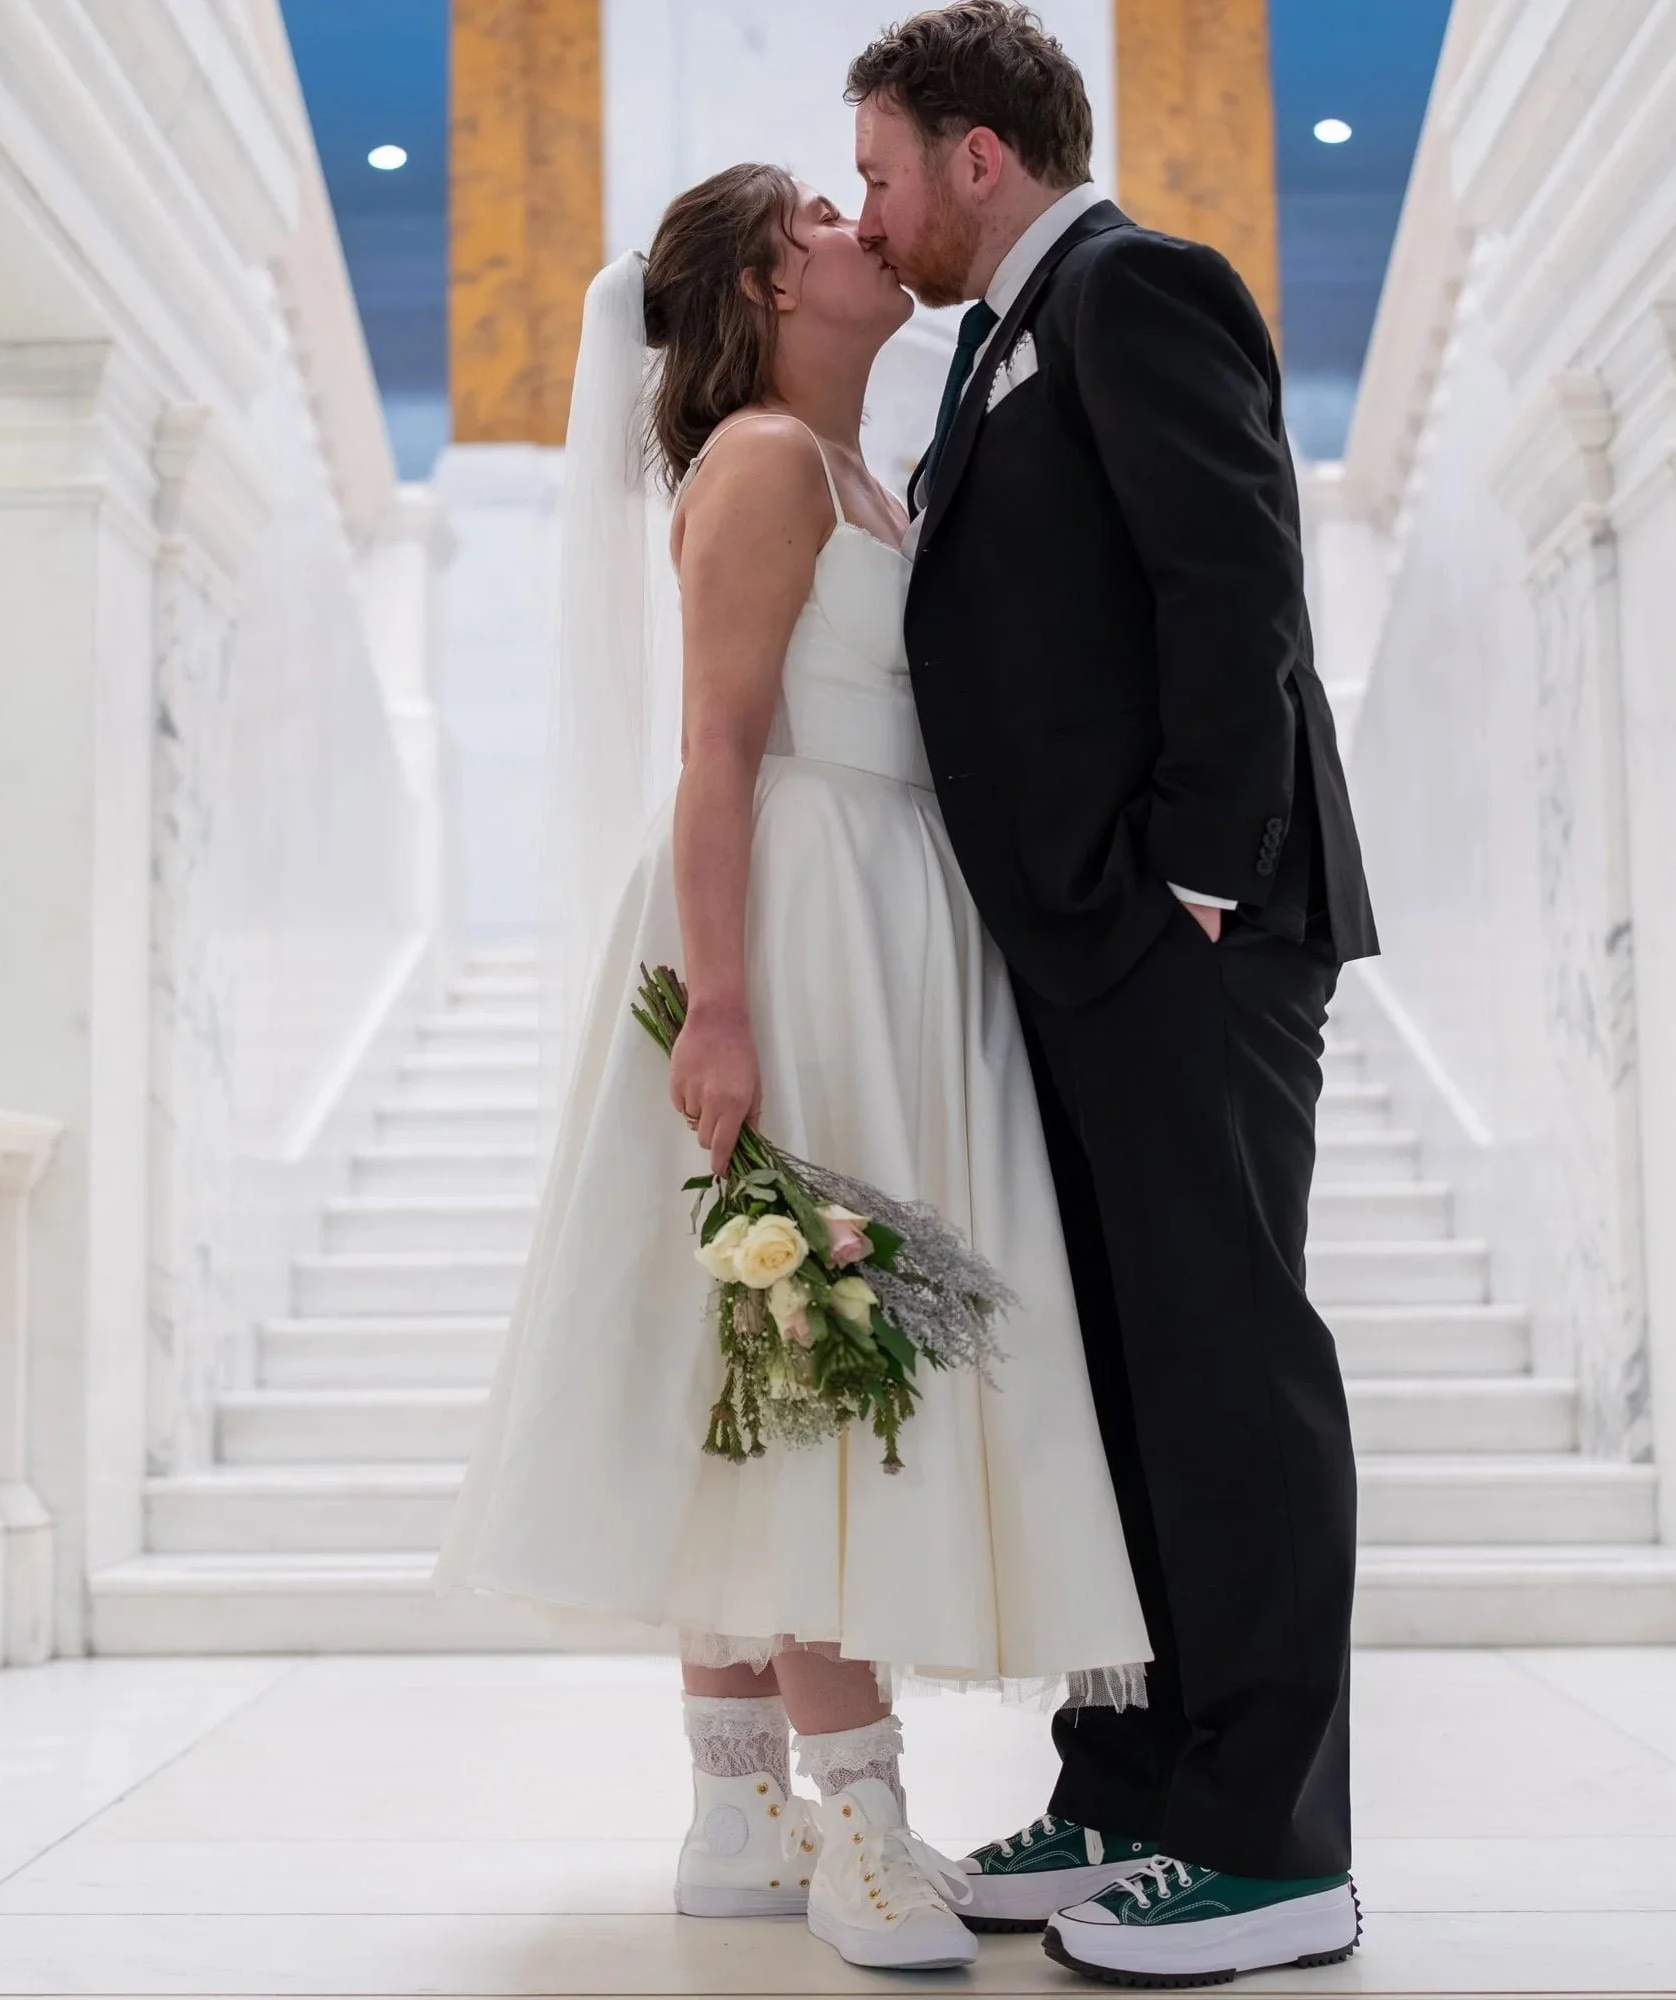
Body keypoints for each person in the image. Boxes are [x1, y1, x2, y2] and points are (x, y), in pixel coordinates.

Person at [431, 161, 1150, 1976]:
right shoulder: (757, 461)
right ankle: (862, 1818)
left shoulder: (856, 472)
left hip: (881, 909)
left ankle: (734, 1804)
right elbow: (717, 753)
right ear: (768, 282)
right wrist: (731, 1009)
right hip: (790, 918)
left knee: (766, 1356)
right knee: (815, 1351)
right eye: (825, 220)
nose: (860, 226)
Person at [846, 2, 1380, 1984]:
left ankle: (1274, 1841)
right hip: (1082, 949)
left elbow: (1231, 578)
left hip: (1185, 938)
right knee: (1133, 1377)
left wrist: (1196, 878)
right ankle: (1135, 1777)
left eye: (885, 172)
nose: (871, 213)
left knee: (1226, 1373)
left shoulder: (1136, 284)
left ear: (979, 155)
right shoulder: (999, 339)